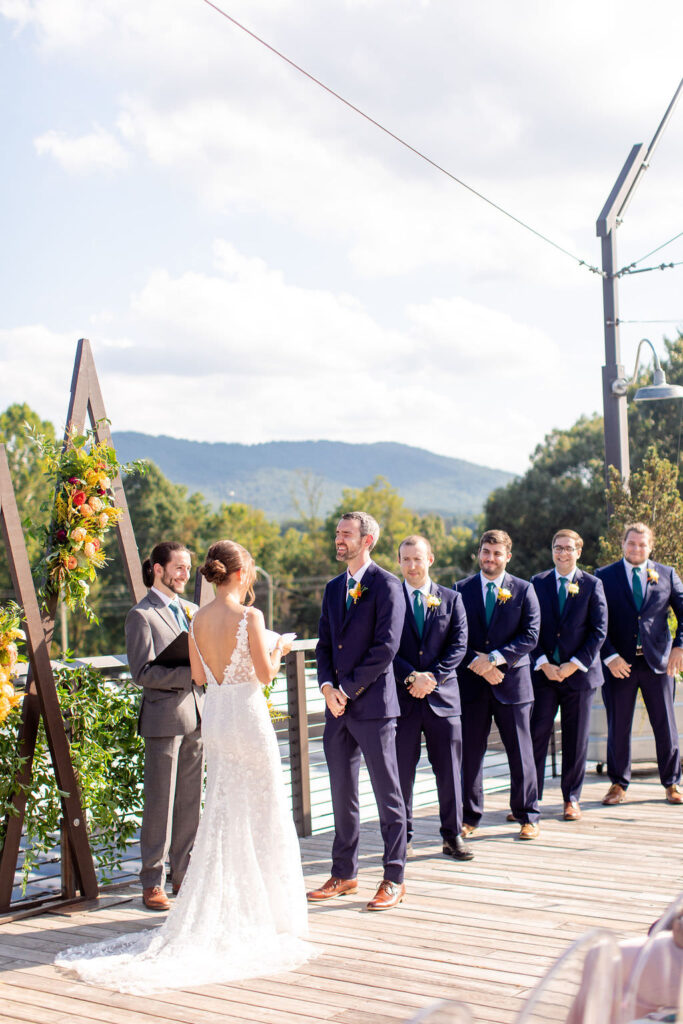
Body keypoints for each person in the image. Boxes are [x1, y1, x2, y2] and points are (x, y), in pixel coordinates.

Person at [56, 539, 312, 992]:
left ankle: (202, 886)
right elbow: (264, 675)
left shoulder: (196, 616)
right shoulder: (249, 616)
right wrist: (280, 650)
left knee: (219, 809)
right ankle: (268, 909)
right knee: (262, 808)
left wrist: (222, 672)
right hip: (244, 720)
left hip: (212, 720)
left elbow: (197, 676)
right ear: (241, 574)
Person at [308, 511, 407, 911]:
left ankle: (394, 876)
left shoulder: (388, 585)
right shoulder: (334, 588)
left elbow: (386, 648)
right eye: (337, 533)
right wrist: (328, 687)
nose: (339, 540)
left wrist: (347, 689)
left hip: (375, 708)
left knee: (388, 794)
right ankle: (344, 873)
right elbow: (323, 645)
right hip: (338, 710)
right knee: (341, 793)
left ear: (368, 541)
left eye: (346, 534)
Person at [124, 541, 204, 911]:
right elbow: (141, 673)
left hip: (197, 717)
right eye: (179, 568)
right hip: (163, 719)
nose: (185, 575)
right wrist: (192, 673)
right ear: (158, 569)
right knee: (159, 803)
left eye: (188, 568)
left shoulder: (189, 610)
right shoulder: (141, 615)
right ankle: (152, 881)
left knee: (189, 802)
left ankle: (182, 875)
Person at [454, 529, 541, 839]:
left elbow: (530, 636)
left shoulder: (524, 590)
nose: (490, 558)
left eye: (496, 553)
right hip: (472, 687)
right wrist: (480, 665)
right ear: (480, 553)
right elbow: (453, 637)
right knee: (471, 755)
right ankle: (469, 817)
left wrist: (495, 660)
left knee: (521, 753)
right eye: (485, 552)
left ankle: (527, 815)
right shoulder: (459, 590)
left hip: (512, 685)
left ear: (508, 556)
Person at [393, 535, 473, 861]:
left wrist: (433, 679)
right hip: (401, 701)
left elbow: (458, 645)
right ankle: (402, 838)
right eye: (406, 559)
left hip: (444, 702)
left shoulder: (452, 599)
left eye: (418, 559)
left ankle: (452, 836)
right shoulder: (389, 600)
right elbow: (385, 647)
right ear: (399, 562)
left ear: (431, 559)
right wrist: (412, 677)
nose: (413, 566)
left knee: (451, 773)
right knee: (400, 774)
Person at [596, 522, 683, 806]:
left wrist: (679, 647)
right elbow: (596, 623)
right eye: (631, 543)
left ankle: (672, 783)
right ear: (623, 543)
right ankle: (618, 784)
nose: (636, 549)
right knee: (618, 725)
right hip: (619, 664)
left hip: (658, 663)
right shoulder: (603, 577)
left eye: (642, 544)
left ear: (651, 547)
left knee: (666, 725)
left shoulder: (667, 574)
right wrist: (609, 656)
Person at [530, 529, 608, 820]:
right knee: (537, 735)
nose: (562, 553)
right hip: (544, 674)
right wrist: (543, 662)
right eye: (557, 547)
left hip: (580, 676)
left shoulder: (592, 584)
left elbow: (599, 630)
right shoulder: (537, 583)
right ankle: (530, 798)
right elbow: (529, 627)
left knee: (576, 739)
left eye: (568, 548)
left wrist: (574, 664)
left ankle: (571, 799)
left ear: (578, 552)